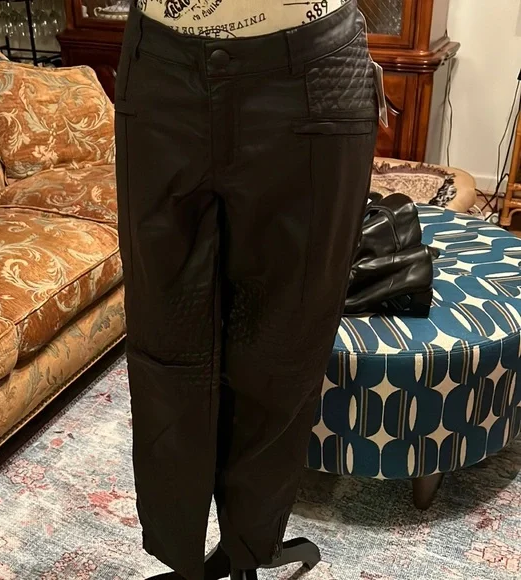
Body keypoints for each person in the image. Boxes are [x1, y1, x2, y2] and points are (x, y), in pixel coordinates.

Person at [114, 1, 377, 578]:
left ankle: (248, 548)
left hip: (313, 71)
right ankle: (181, 552)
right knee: (163, 341)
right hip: (160, 71)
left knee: (286, 343)